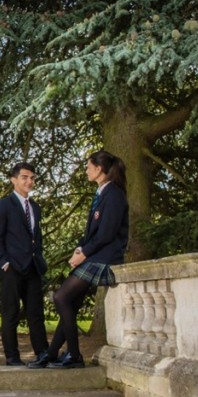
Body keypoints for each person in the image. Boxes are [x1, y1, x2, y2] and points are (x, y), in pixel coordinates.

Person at [30, 150, 129, 370]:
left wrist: (83, 254)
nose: (86, 170)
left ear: (99, 169)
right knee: (70, 303)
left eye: (88, 166)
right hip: (94, 255)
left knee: (61, 297)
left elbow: (107, 234)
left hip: (104, 259)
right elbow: (93, 233)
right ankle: (53, 353)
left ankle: (74, 355)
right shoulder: (102, 193)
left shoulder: (113, 194)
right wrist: (80, 249)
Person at [0, 162, 50, 366]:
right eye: (24, 177)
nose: (29, 181)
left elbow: (36, 237)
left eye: (32, 178)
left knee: (36, 314)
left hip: (32, 268)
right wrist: (4, 263)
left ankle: (42, 353)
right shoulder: (3, 206)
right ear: (14, 180)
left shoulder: (35, 208)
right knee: (10, 313)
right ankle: (12, 356)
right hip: (12, 268)